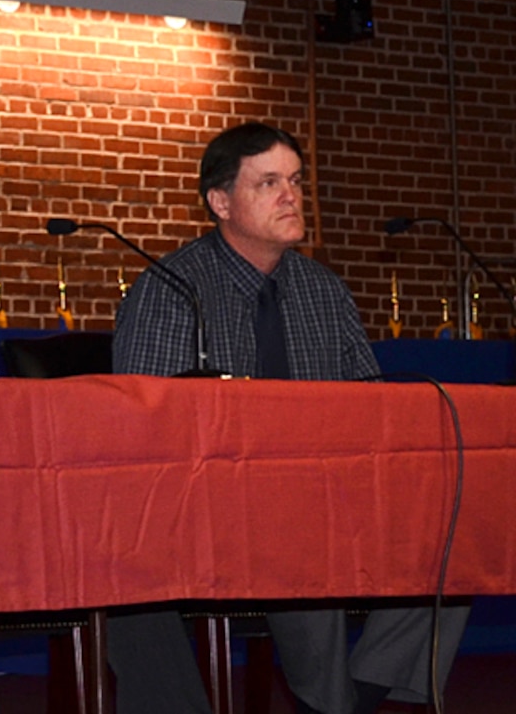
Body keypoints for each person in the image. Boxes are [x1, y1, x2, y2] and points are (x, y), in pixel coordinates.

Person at [109, 121, 468, 714]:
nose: (291, 196)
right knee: (302, 533)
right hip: (210, 511)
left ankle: (362, 693)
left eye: (296, 181)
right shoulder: (172, 287)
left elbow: (371, 405)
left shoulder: (323, 291)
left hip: (326, 495)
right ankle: (331, 703)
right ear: (220, 202)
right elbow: (143, 423)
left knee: (451, 536)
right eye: (269, 182)